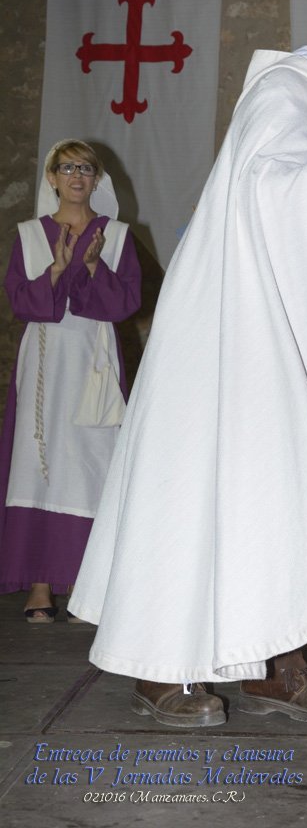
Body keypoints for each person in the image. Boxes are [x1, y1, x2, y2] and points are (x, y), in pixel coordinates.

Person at [68, 0, 307, 727]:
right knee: (199, 490)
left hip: (282, 333)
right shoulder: (284, 94)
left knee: (278, 491)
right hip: (227, 337)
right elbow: (267, 195)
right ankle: (158, 665)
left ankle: (274, 660)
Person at [0, 139, 141, 621]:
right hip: (44, 362)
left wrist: (94, 266)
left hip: (94, 361)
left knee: (90, 462)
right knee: (38, 462)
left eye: (85, 168)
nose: (76, 176)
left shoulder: (116, 235)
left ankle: (87, 583)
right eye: (67, 168)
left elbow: (125, 304)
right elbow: (21, 301)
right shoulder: (29, 236)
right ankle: (40, 583)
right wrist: (56, 271)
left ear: (96, 179)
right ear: (51, 178)